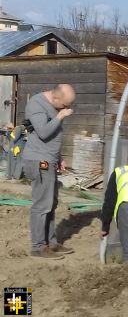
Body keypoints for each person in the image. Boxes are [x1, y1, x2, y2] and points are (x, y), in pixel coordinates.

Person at [22, 84, 76, 260]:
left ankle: (51, 243)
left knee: (51, 203)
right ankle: (38, 247)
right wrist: (60, 116)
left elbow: (52, 137)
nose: (66, 108)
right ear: (56, 98)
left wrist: (59, 157)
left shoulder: (54, 105)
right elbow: (44, 133)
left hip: (49, 159)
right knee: (41, 205)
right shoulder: (36, 105)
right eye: (64, 105)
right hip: (39, 160)